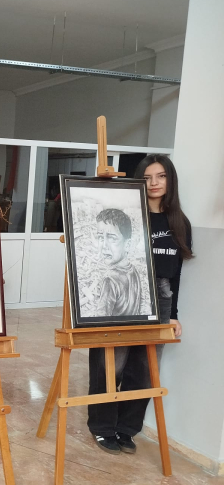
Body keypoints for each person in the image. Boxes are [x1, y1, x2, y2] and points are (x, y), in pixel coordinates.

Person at [87, 154, 193, 454]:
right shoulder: (128, 215)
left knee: (144, 371)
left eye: (161, 176)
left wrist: (172, 315)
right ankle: (102, 427)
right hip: (123, 288)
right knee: (111, 365)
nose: (154, 183)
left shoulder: (179, 223)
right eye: (147, 178)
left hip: (160, 298)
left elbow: (176, 274)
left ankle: (127, 429)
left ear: (170, 180)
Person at [93, 208, 143, 317]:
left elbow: (100, 319)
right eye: (100, 237)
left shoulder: (110, 279)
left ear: (127, 245)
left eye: (112, 238)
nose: (104, 245)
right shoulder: (133, 270)